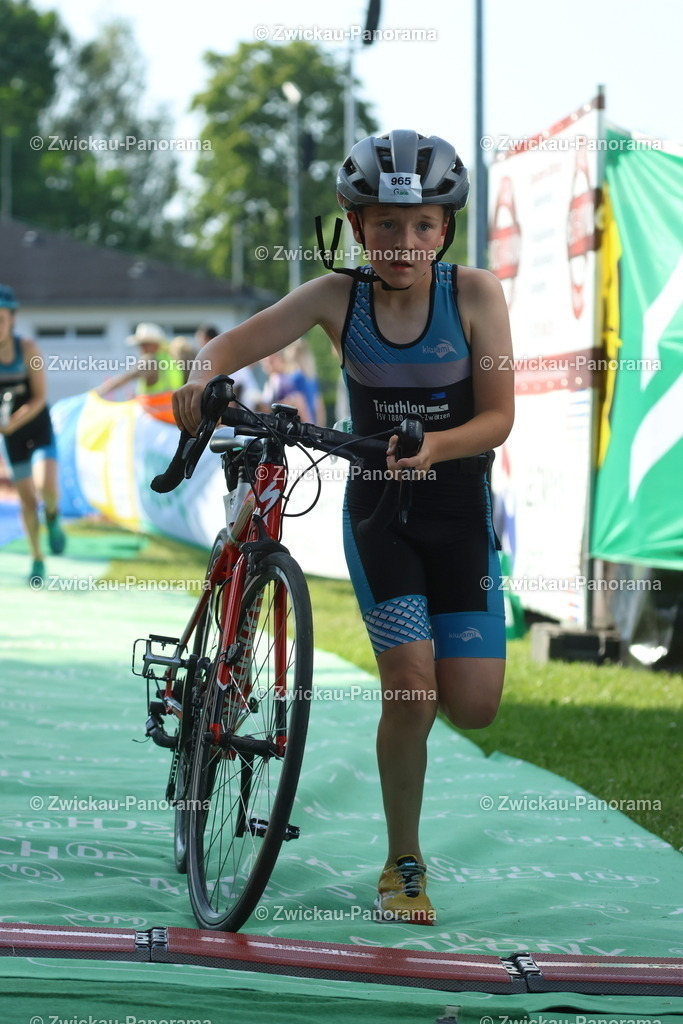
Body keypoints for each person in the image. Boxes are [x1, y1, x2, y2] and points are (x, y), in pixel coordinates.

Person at [173, 130, 514, 926]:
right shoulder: (335, 295)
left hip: (458, 514)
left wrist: (433, 446)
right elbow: (227, 346)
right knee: (411, 693)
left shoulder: (475, 295)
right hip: (379, 517)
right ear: (356, 228)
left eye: (422, 225)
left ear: (444, 230)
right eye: (385, 226)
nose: (404, 243)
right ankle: (403, 863)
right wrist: (199, 377)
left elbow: (497, 419)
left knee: (474, 706)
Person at [0, 284, 66, 585]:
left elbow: (39, 397)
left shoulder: (28, 350)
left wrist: (13, 422)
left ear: (11, 319)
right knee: (27, 500)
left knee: (46, 487)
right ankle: (37, 559)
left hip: (37, 428)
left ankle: (53, 516)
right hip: (11, 437)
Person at [95, 322, 185, 397]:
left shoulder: (148, 360)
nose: (140, 348)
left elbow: (125, 378)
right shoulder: (170, 358)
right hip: (171, 413)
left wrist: (96, 393)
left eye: (143, 344)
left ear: (153, 345)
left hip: (152, 413)